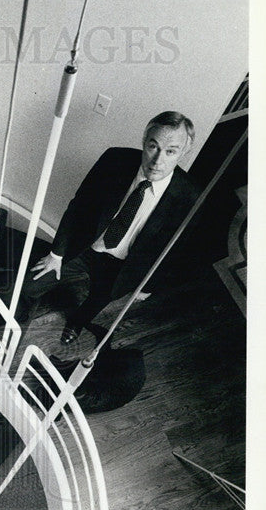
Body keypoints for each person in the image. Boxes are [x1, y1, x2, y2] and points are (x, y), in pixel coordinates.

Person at [26, 111, 200, 344]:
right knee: (31, 285)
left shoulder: (189, 196)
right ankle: (16, 314)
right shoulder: (115, 160)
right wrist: (56, 254)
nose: (157, 161)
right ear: (144, 141)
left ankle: (77, 323)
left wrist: (147, 285)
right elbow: (78, 206)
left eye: (170, 151)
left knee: (98, 299)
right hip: (86, 246)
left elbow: (174, 250)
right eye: (153, 147)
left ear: (184, 152)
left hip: (123, 265)